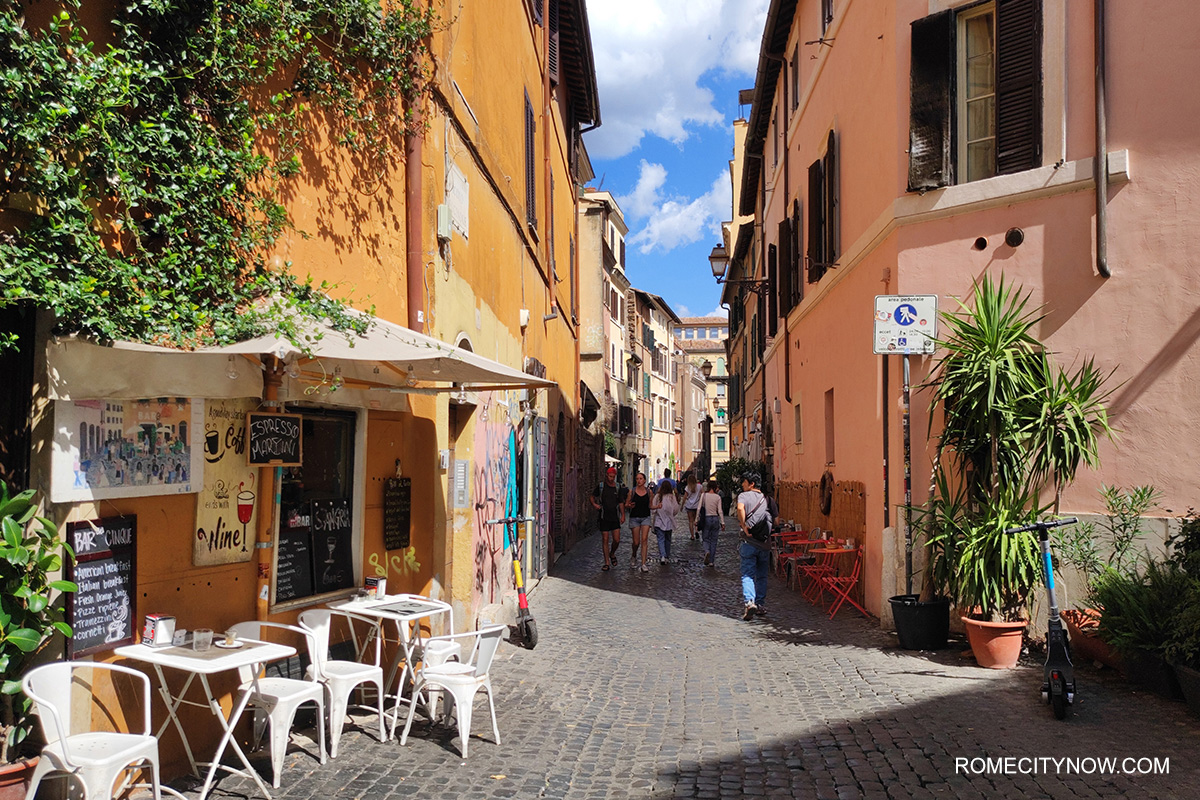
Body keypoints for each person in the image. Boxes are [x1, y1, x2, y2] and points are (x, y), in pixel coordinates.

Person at [735, 471, 772, 620]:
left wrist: (744, 525)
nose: (742, 485)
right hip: (764, 543)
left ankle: (750, 602)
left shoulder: (743, 496)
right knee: (762, 576)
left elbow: (739, 508)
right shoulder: (767, 499)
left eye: (744, 482)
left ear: (751, 484)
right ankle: (760, 605)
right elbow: (774, 519)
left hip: (749, 542)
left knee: (747, 574)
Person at [591, 467, 627, 571]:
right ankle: (606, 562)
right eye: (610, 476)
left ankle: (612, 553)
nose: (611, 478)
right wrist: (595, 505)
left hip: (615, 517)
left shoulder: (617, 487)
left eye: (613, 476)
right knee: (605, 539)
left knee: (616, 540)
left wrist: (623, 515)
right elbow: (592, 496)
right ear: (607, 475)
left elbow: (620, 502)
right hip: (604, 516)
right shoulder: (601, 486)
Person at [624, 471, 653, 572]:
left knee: (644, 539)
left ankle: (643, 564)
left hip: (646, 517)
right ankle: (633, 555)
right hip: (635, 518)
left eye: (640, 479)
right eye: (637, 479)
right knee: (636, 542)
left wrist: (657, 507)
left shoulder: (649, 492)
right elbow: (626, 504)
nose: (639, 481)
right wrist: (629, 505)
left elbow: (650, 506)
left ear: (644, 480)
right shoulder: (631, 492)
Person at [651, 479, 681, 564]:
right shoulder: (672, 497)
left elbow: (653, 509)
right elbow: (675, 509)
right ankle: (666, 555)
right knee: (668, 539)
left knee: (660, 539)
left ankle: (663, 556)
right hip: (669, 522)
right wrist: (671, 515)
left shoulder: (657, 496)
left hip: (659, 522)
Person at [698, 478, 723, 567]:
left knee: (705, 538)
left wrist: (696, 519)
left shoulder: (704, 496)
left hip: (706, 518)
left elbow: (699, 508)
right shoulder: (718, 497)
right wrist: (722, 522)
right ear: (715, 487)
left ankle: (707, 551)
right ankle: (711, 561)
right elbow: (720, 511)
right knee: (714, 540)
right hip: (715, 518)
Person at [682, 471, 703, 539]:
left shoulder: (687, 488)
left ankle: (692, 535)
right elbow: (703, 494)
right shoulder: (699, 486)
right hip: (697, 506)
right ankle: (696, 531)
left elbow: (685, 497)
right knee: (696, 519)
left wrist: (682, 505)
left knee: (690, 521)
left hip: (689, 506)